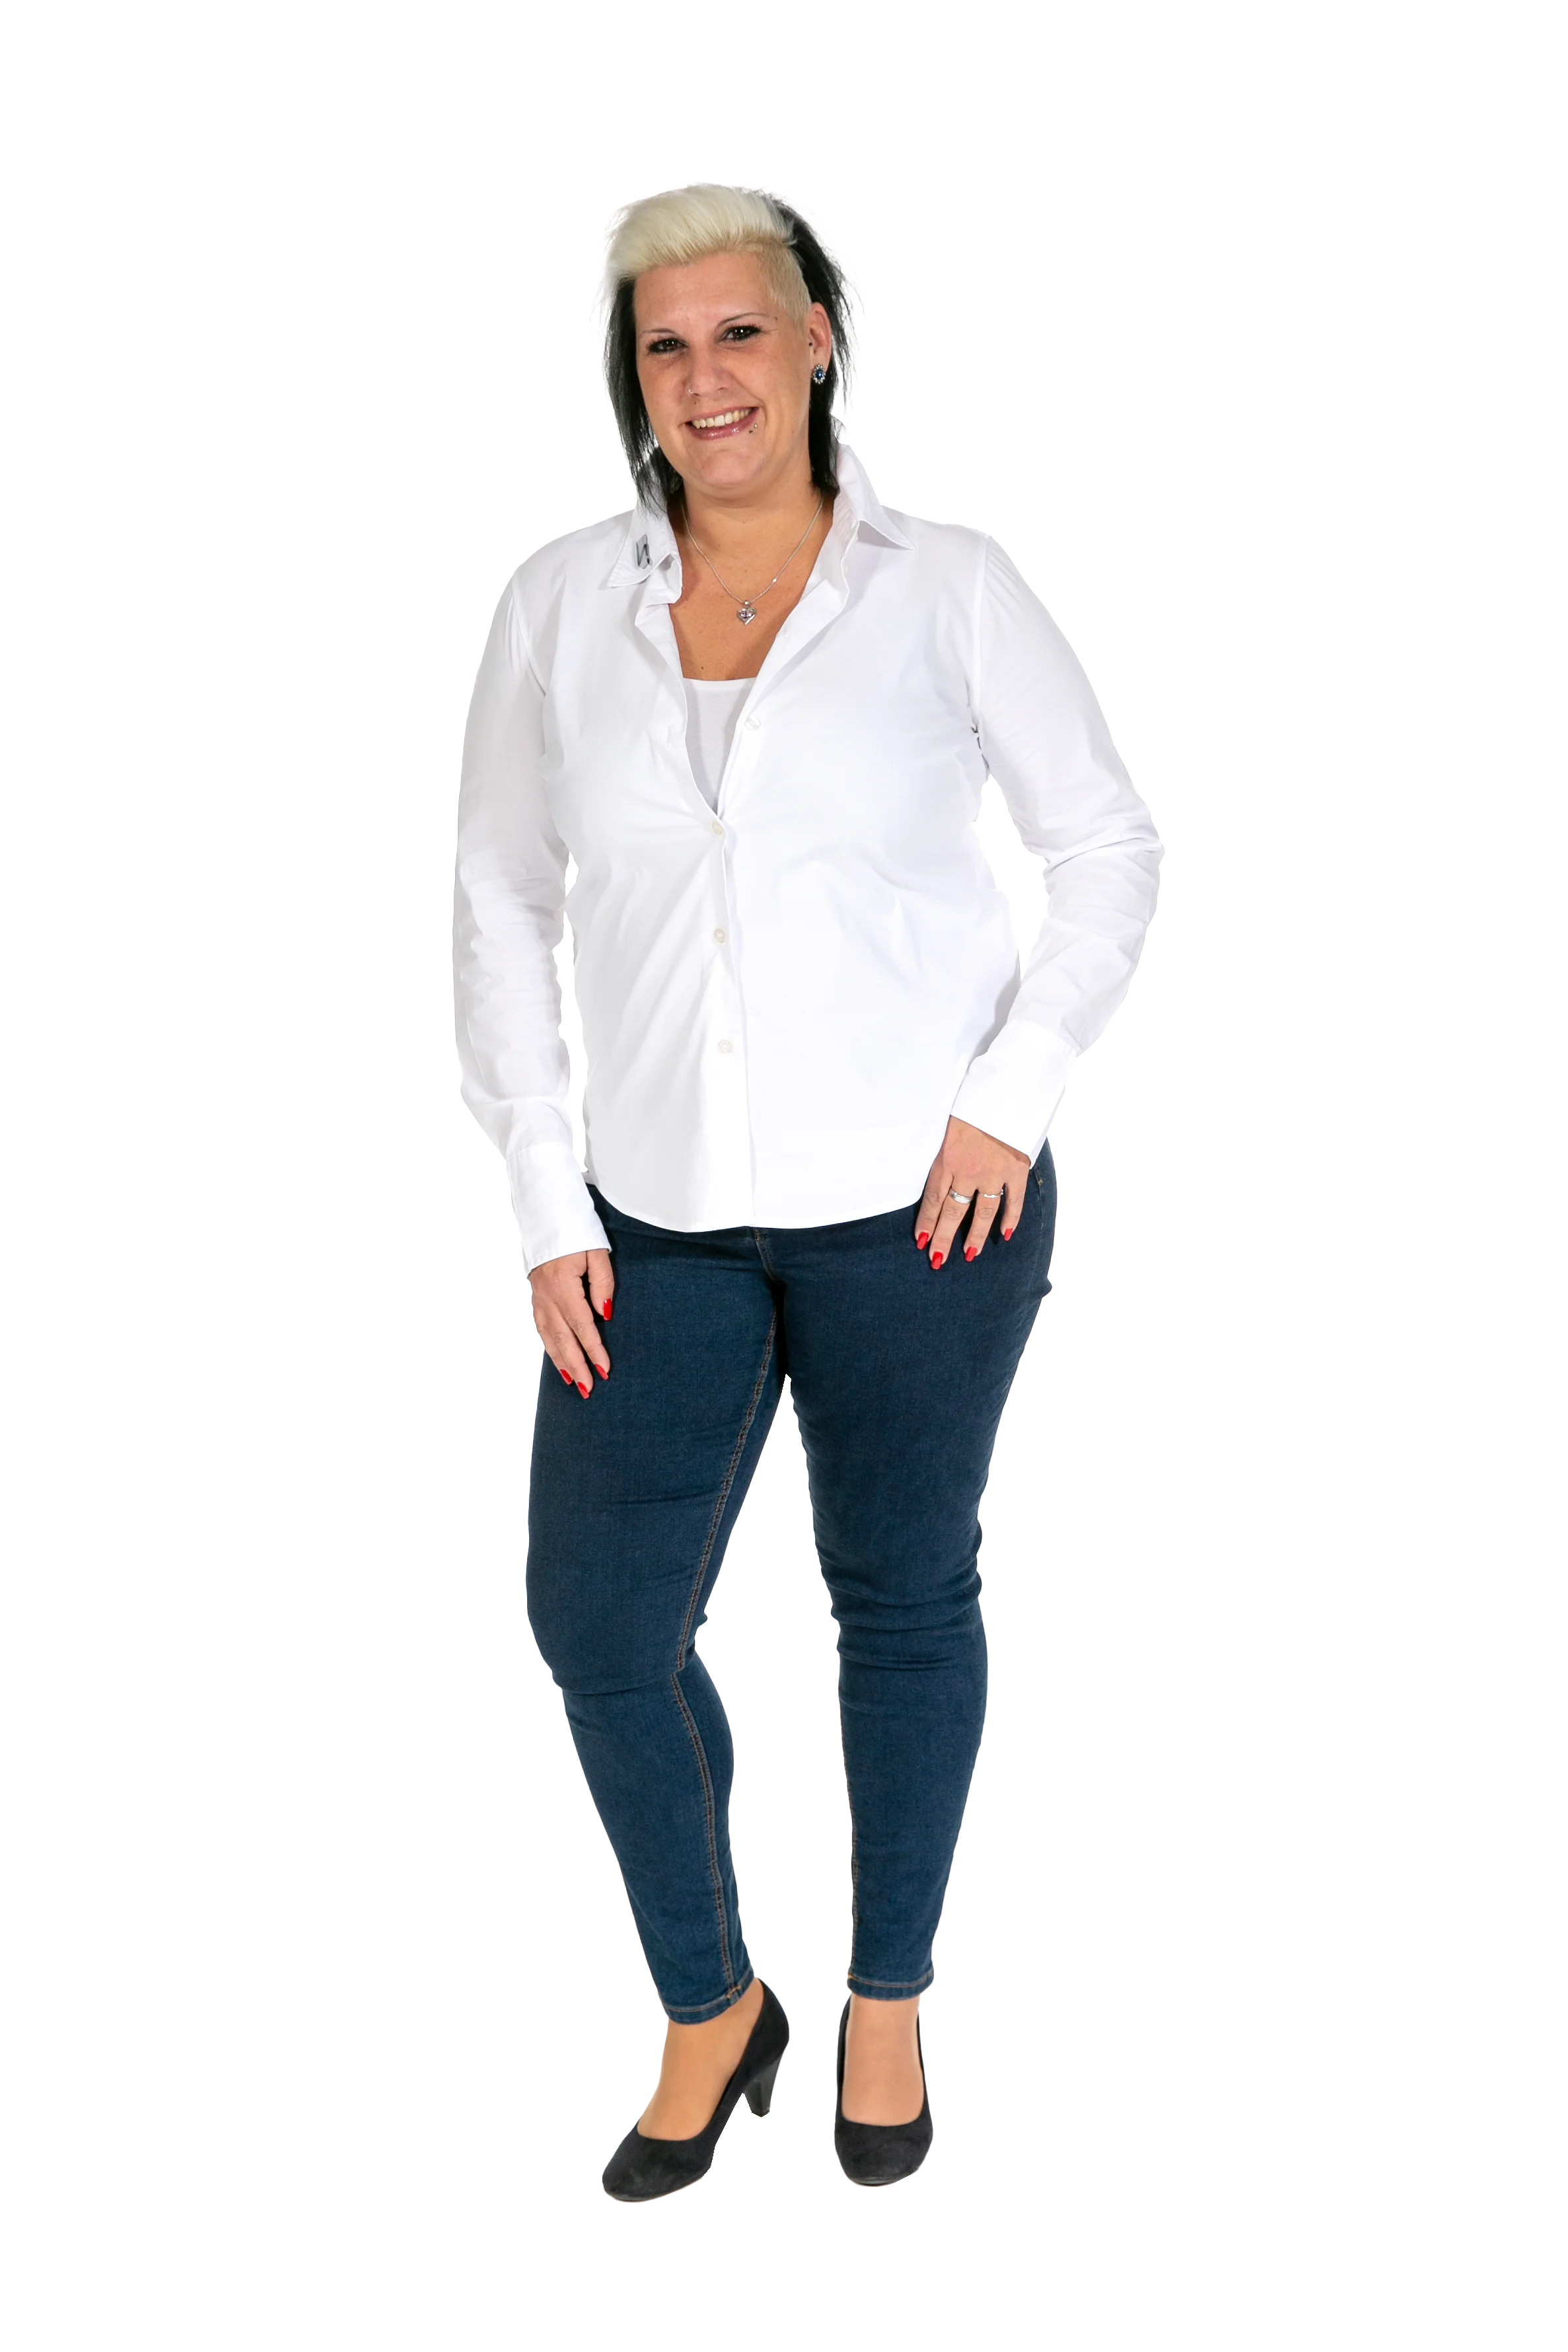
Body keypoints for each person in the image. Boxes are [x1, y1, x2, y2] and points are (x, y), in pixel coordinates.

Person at [451, 182, 1164, 2201]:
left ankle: (889, 1998)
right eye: (665, 345)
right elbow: (498, 894)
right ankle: (709, 2004)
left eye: (741, 332)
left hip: (920, 1215)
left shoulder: (947, 588)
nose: (706, 379)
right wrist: (542, 1193)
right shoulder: (556, 602)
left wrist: (1009, 1099)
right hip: (647, 1219)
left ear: (819, 339)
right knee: (597, 1619)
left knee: (901, 1592)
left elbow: (1106, 847)